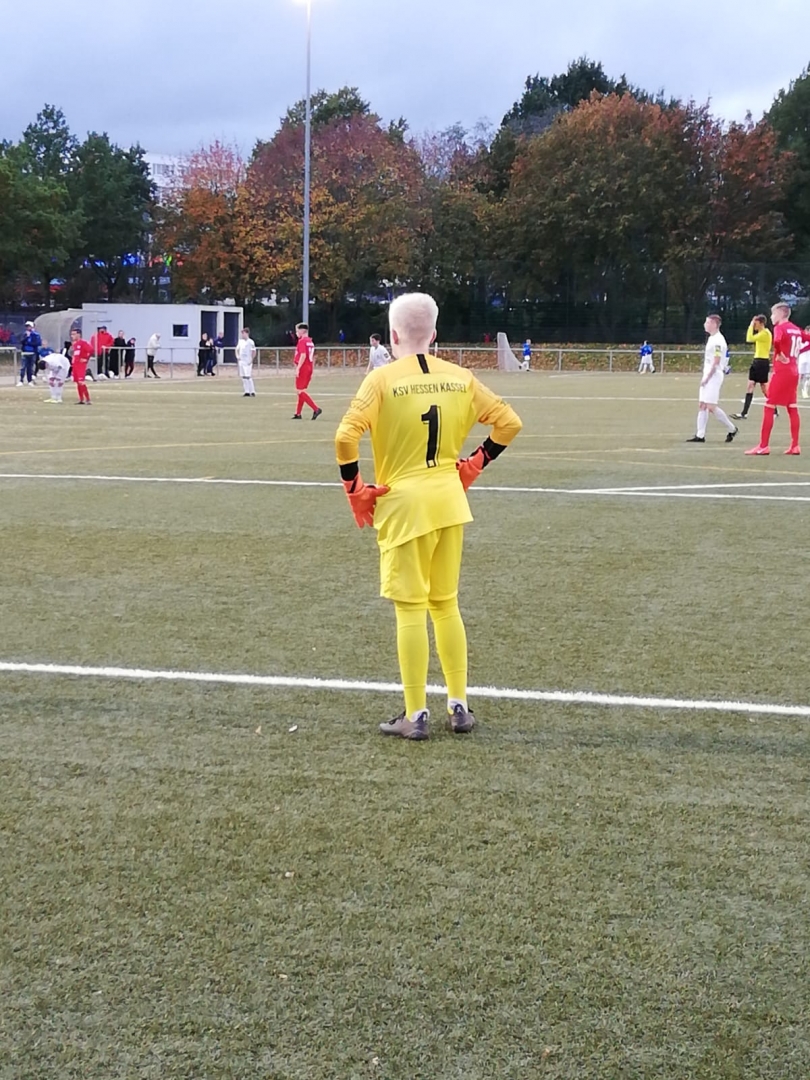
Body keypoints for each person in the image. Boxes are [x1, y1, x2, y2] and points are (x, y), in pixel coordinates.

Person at [335, 292, 523, 741]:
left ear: (393, 335)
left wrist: (354, 489)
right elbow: (509, 423)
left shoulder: (381, 380)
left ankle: (416, 713)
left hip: (405, 507)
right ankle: (458, 705)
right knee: (446, 604)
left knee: (410, 610)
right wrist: (475, 462)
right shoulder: (460, 377)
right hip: (449, 502)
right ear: (434, 334)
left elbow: (345, 437)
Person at [745, 302, 810, 456]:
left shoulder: (780, 328)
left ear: (781, 314)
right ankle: (795, 445)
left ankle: (763, 446)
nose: (771, 317)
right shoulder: (796, 329)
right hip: (794, 371)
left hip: (782, 371)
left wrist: (780, 353)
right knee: (792, 407)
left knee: (769, 405)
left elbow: (777, 341)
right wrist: (798, 352)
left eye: (773, 314)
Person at [686, 314, 737, 444]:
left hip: (713, 376)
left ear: (714, 324)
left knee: (711, 406)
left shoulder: (718, 340)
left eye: (707, 322)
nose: (705, 324)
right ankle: (700, 435)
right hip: (708, 374)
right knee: (702, 405)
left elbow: (716, 361)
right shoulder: (712, 338)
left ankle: (732, 428)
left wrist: (707, 378)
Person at [732, 315, 773, 420]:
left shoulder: (765, 333)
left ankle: (774, 409)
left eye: (756, 323)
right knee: (750, 385)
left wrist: (750, 326)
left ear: (761, 323)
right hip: (757, 361)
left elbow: (749, 338)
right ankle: (744, 413)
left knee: (764, 388)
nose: (754, 325)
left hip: (762, 362)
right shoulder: (761, 333)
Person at [292, 322, 322, 419]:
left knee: (299, 391)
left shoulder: (302, 341)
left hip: (303, 367)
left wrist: (298, 368)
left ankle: (316, 409)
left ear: (302, 331)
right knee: (302, 391)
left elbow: (303, 355)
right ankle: (298, 413)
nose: (296, 333)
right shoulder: (310, 341)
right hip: (309, 367)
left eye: (297, 331)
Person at [69, 327, 92, 404]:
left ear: (79, 335)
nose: (72, 336)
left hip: (81, 365)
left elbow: (91, 350)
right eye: (71, 334)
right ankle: (81, 399)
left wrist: (86, 359)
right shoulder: (75, 344)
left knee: (81, 381)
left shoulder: (83, 343)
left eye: (74, 334)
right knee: (78, 382)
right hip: (75, 365)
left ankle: (88, 399)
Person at [235, 327, 257, 396]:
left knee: (248, 376)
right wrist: (237, 356)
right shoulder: (240, 341)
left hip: (248, 361)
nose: (242, 335)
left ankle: (252, 391)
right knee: (243, 376)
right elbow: (237, 349)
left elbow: (254, 351)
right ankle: (246, 391)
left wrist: (251, 359)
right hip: (242, 361)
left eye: (243, 333)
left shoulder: (251, 342)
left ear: (247, 333)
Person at [18, 321, 41, 386]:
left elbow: (37, 343)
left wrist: (29, 342)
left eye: (29, 326)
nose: (28, 328)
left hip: (32, 353)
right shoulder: (24, 334)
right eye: (27, 326)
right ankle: (21, 380)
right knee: (23, 367)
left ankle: (29, 381)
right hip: (25, 353)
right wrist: (27, 337)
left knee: (30, 368)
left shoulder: (36, 335)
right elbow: (21, 341)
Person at [799, 327, 810, 399]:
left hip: (809, 359)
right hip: (802, 358)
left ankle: (805, 391)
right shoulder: (801, 339)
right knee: (800, 375)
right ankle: (801, 389)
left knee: (808, 375)